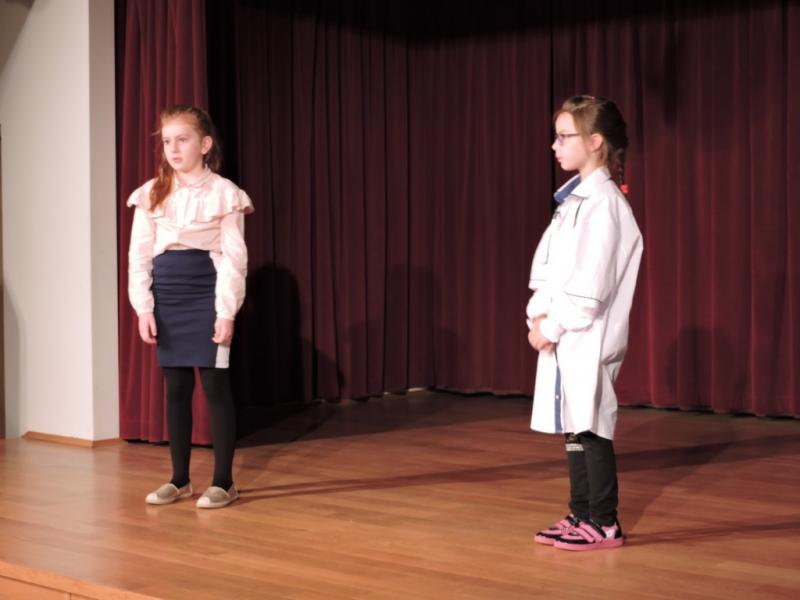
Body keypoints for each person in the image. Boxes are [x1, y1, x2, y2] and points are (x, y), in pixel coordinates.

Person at [526, 95, 643, 550]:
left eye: (564, 136)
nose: (554, 145)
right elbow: (552, 268)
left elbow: (589, 290)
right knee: (574, 426)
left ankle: (605, 521)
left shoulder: (604, 204)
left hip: (586, 337)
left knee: (592, 427)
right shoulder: (574, 201)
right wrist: (539, 315)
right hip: (565, 335)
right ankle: (581, 512)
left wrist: (550, 327)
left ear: (595, 141)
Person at [127, 105, 253, 509]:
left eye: (182, 139)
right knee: (176, 388)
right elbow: (139, 256)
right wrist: (144, 307)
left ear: (205, 144)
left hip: (206, 292)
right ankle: (179, 479)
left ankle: (224, 482)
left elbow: (234, 258)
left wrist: (226, 312)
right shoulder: (151, 192)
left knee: (215, 386)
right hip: (168, 294)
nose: (173, 148)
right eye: (167, 141)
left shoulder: (224, 193)